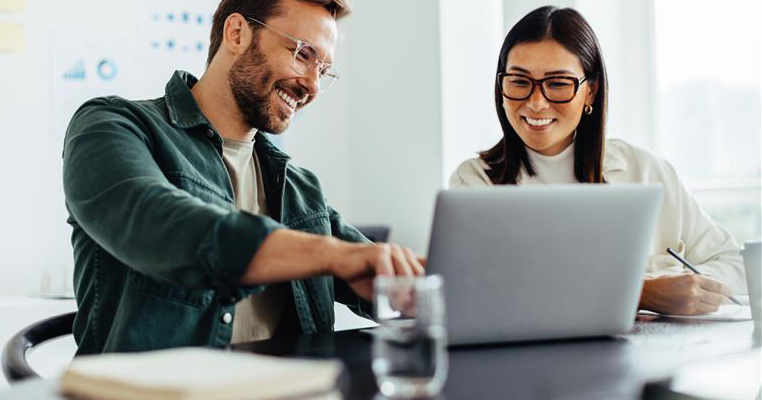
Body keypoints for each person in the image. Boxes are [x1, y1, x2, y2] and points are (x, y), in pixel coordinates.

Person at [63, 0, 424, 354]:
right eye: (302, 54)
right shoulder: (112, 126)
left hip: (294, 383)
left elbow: (369, 266)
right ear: (237, 33)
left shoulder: (300, 188)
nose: (312, 85)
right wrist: (332, 254)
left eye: (324, 70)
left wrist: (416, 281)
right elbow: (162, 224)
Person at [449, 6, 745, 316]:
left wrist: (687, 288)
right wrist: (641, 292)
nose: (536, 102)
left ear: (590, 91)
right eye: (520, 82)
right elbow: (478, 291)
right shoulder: (474, 183)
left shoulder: (645, 171)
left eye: (558, 84)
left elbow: (735, 266)